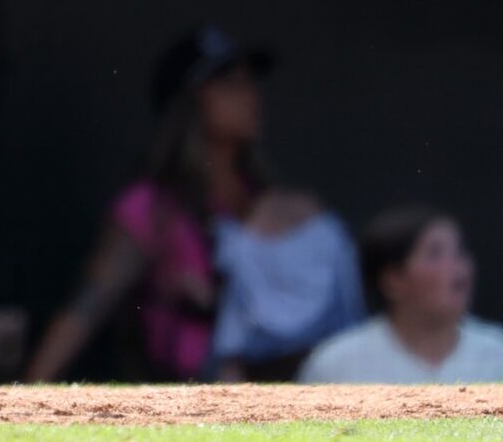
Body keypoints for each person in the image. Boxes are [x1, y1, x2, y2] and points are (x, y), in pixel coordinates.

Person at [27, 26, 311, 381]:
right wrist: (26, 398)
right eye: (229, 85)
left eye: (250, 82)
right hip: (194, 401)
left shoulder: (266, 199)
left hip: (279, 393)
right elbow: (86, 309)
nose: (250, 96)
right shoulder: (152, 206)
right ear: (190, 103)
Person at [302, 208, 503, 383]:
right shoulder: (335, 365)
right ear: (393, 280)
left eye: (459, 252)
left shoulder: (497, 352)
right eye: (435, 253)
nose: (459, 268)